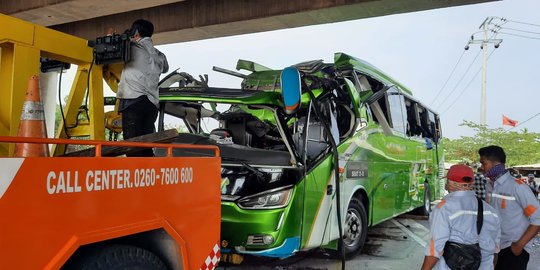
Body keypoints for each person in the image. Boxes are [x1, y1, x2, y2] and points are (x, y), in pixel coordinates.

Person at [421, 164, 501, 270]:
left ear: (450, 184)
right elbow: (495, 251)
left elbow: (435, 249)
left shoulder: (444, 208)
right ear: (472, 184)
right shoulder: (491, 211)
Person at [478, 145, 540, 270]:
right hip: (494, 246)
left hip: (512, 249)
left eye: (484, 163)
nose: (481, 168)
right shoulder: (489, 186)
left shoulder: (517, 187)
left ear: (496, 164)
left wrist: (518, 246)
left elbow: (537, 219)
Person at [117, 19, 169, 156]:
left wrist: (124, 36)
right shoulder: (160, 56)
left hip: (133, 101)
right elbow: (166, 68)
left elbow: (113, 49)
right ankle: (148, 174)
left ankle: (136, 174)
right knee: (146, 145)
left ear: (136, 32)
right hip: (151, 104)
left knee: (133, 146)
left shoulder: (131, 47)